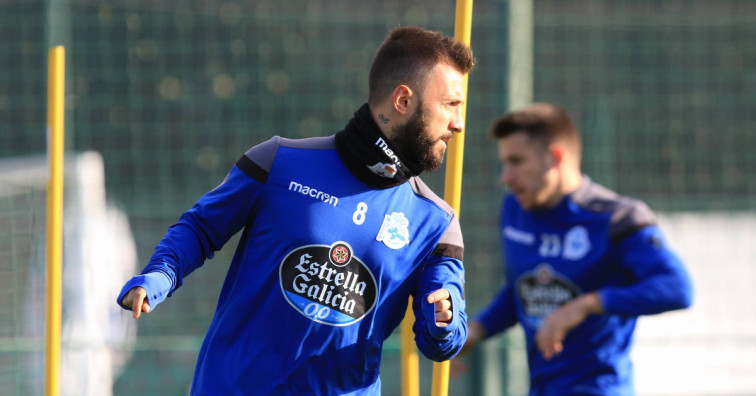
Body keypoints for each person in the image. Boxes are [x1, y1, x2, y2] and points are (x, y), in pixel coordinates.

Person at [116, 26, 474, 395]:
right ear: (403, 100)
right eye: (451, 104)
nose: (459, 124)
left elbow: (441, 343)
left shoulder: (437, 223)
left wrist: (444, 322)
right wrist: (159, 275)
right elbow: (202, 227)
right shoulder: (279, 161)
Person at [452, 103, 693, 395]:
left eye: (516, 161)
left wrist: (586, 305)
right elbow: (521, 290)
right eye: (504, 163)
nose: (506, 177)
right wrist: (476, 331)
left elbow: (677, 288)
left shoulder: (616, 218)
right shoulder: (515, 209)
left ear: (555, 157)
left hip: (599, 387)